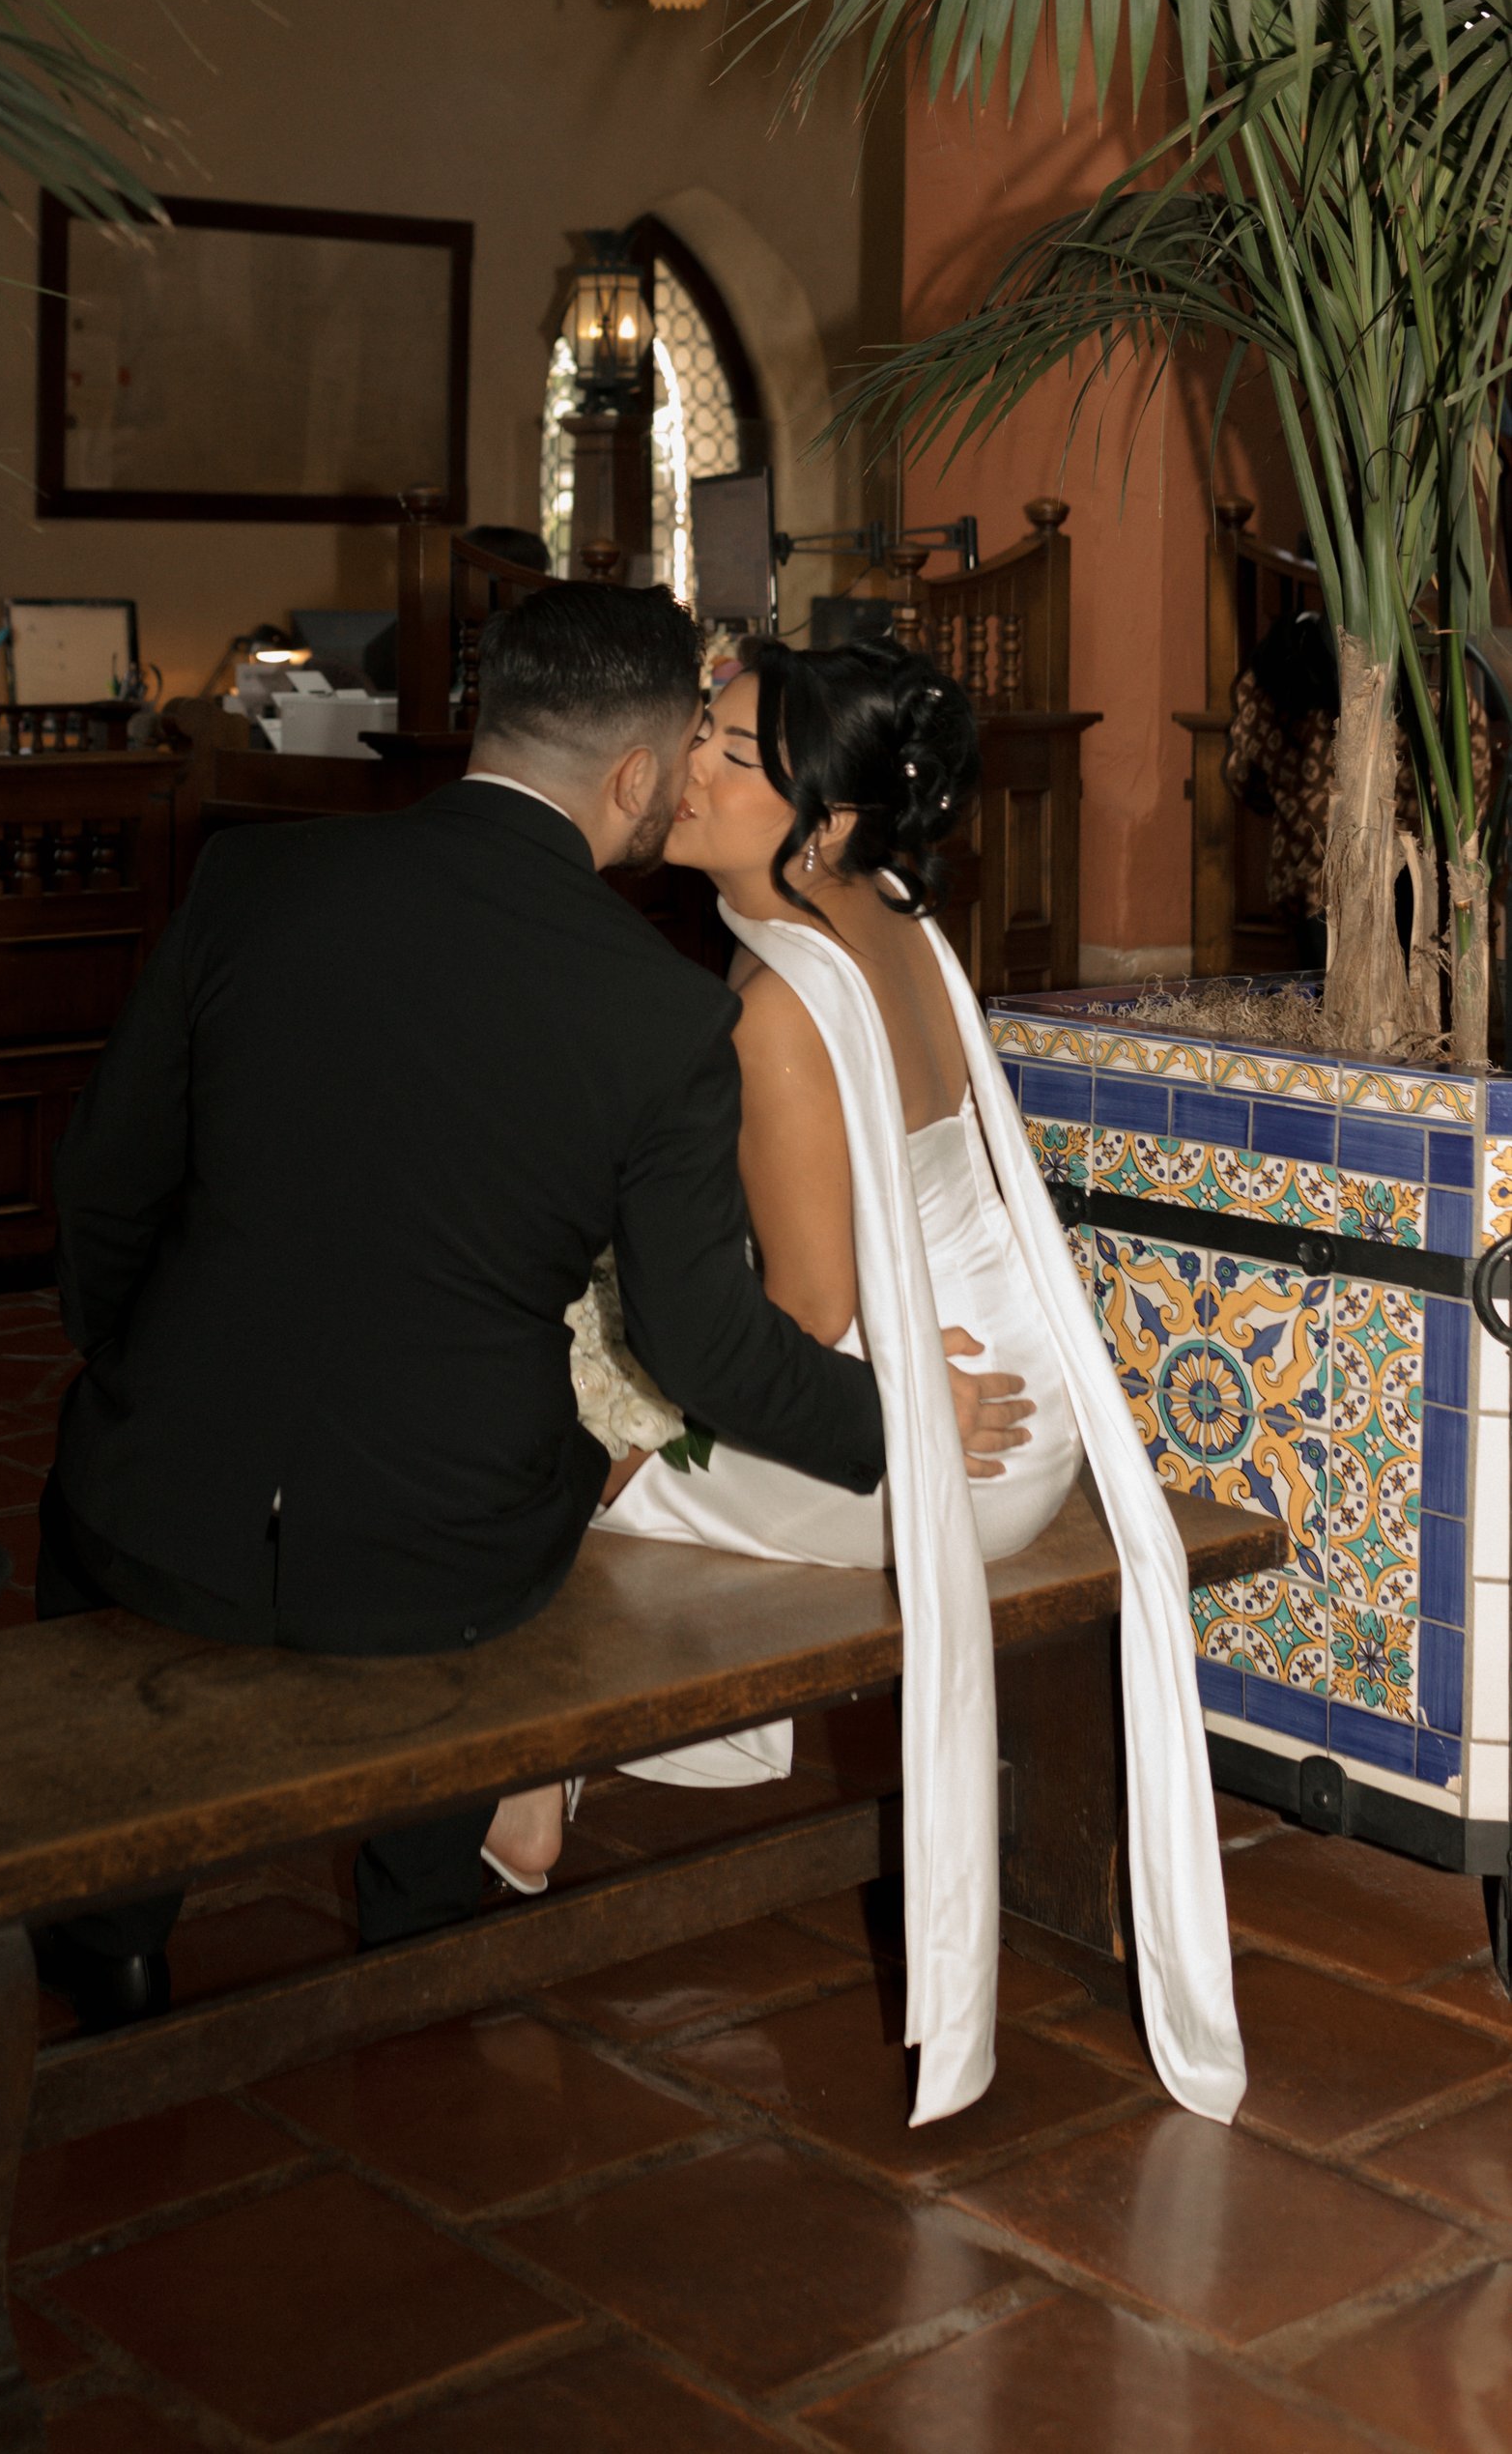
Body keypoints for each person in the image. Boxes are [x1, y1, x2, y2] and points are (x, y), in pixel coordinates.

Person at [32, 584, 1034, 2032]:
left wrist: (136, 1365)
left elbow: (103, 1184)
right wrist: (900, 1428)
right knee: (542, 1486)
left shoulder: (253, 880)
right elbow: (705, 1347)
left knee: (116, 1496)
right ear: (632, 779)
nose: (689, 784)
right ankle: (425, 1907)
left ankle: (113, 1932)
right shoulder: (661, 1011)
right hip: (442, 1557)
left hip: (157, 1504)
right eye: (688, 754)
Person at [508, 638, 1244, 2128]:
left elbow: (807, 1310)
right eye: (702, 732)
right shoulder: (891, 909)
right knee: (601, 1377)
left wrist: (644, 1386)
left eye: (731, 753)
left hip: (947, 1430)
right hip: (1014, 1387)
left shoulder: (774, 1004)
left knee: (550, 1450)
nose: (691, 767)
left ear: (825, 820)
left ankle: (538, 1782)